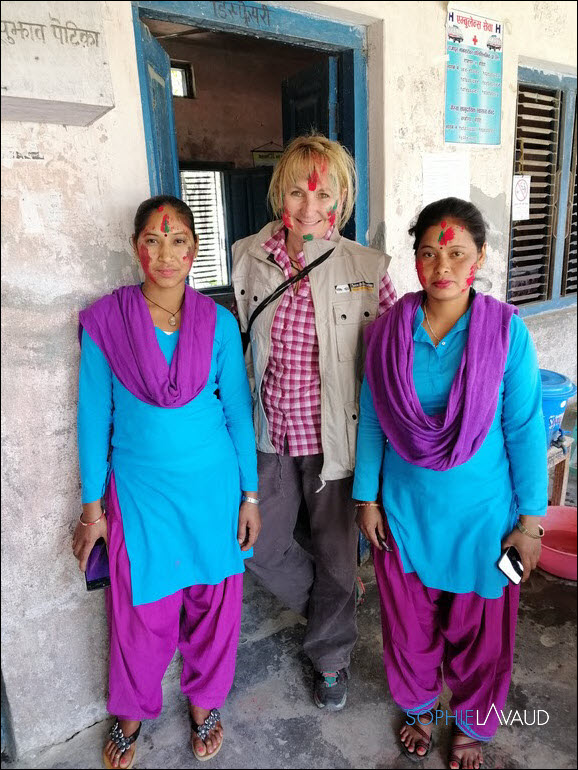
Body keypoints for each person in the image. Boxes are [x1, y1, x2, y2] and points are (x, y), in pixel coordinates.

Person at [353, 197, 547, 769]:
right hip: (405, 512)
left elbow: (525, 428)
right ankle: (418, 708)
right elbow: (373, 419)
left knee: (482, 633)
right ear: (414, 259)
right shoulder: (387, 334)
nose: (442, 266)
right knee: (408, 625)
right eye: (429, 253)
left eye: (457, 253)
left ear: (479, 257)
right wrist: (366, 498)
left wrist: (531, 524)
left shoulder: (506, 334)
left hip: (484, 519)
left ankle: (470, 724)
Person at [72, 195, 260, 768]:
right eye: (152, 241)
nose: (165, 254)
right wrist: (92, 509)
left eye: (178, 241)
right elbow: (93, 417)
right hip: (141, 495)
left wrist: (250, 495)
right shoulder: (108, 323)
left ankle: (205, 705)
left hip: (213, 492)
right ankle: (131, 712)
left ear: (194, 250)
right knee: (141, 613)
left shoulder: (218, 324)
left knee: (214, 605)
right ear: (137, 248)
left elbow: (238, 414)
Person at [231, 134, 397, 710]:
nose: (309, 206)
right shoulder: (247, 257)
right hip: (270, 437)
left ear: (341, 199)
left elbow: (392, 356)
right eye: (298, 192)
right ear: (280, 192)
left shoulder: (366, 268)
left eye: (324, 193)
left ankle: (331, 656)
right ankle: (334, 603)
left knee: (336, 555)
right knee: (256, 546)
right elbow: (241, 346)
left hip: (339, 444)